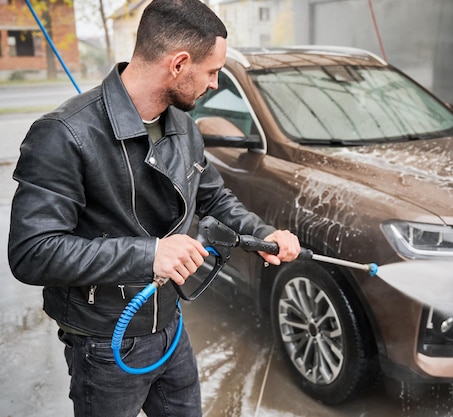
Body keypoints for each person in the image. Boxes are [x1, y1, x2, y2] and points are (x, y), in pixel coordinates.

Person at [7, 0, 300, 416]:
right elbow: (31, 253)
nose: (215, 84)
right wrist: (150, 254)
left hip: (170, 324)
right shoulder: (64, 134)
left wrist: (263, 234)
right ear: (179, 63)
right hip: (104, 341)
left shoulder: (181, 122)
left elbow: (212, 196)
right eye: (212, 71)